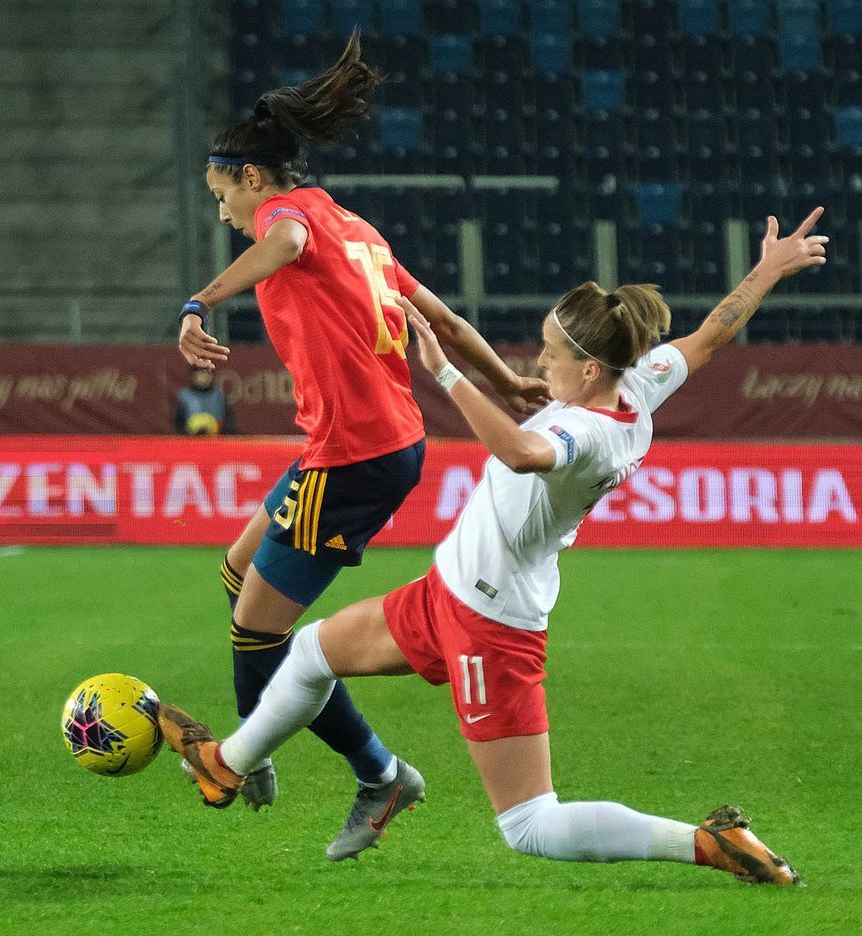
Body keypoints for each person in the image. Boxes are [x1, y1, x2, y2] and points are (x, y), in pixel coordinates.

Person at [159, 207, 827, 881]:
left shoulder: (588, 436)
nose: (541, 361)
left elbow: (519, 452)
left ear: (591, 370)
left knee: (529, 824)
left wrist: (446, 374)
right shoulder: (639, 382)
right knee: (308, 652)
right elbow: (712, 334)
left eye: (553, 354)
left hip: (491, 621)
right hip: (448, 590)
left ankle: (708, 843)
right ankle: (230, 765)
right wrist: (769, 268)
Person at [173, 29, 550, 854]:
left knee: (256, 631)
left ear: (250, 176)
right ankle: (268, 740)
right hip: (366, 446)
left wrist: (200, 302)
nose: (224, 213)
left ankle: (331, 766)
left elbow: (284, 244)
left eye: (220, 196)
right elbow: (441, 318)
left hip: (354, 457)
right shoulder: (356, 224)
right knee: (238, 575)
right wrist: (509, 383)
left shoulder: (290, 219)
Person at [174, 365, 235, 435]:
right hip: (190, 441)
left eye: (206, 373)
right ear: (193, 375)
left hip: (216, 440)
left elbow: (229, 422)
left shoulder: (219, 395)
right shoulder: (184, 396)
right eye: (200, 373)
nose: (203, 377)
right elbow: (178, 423)